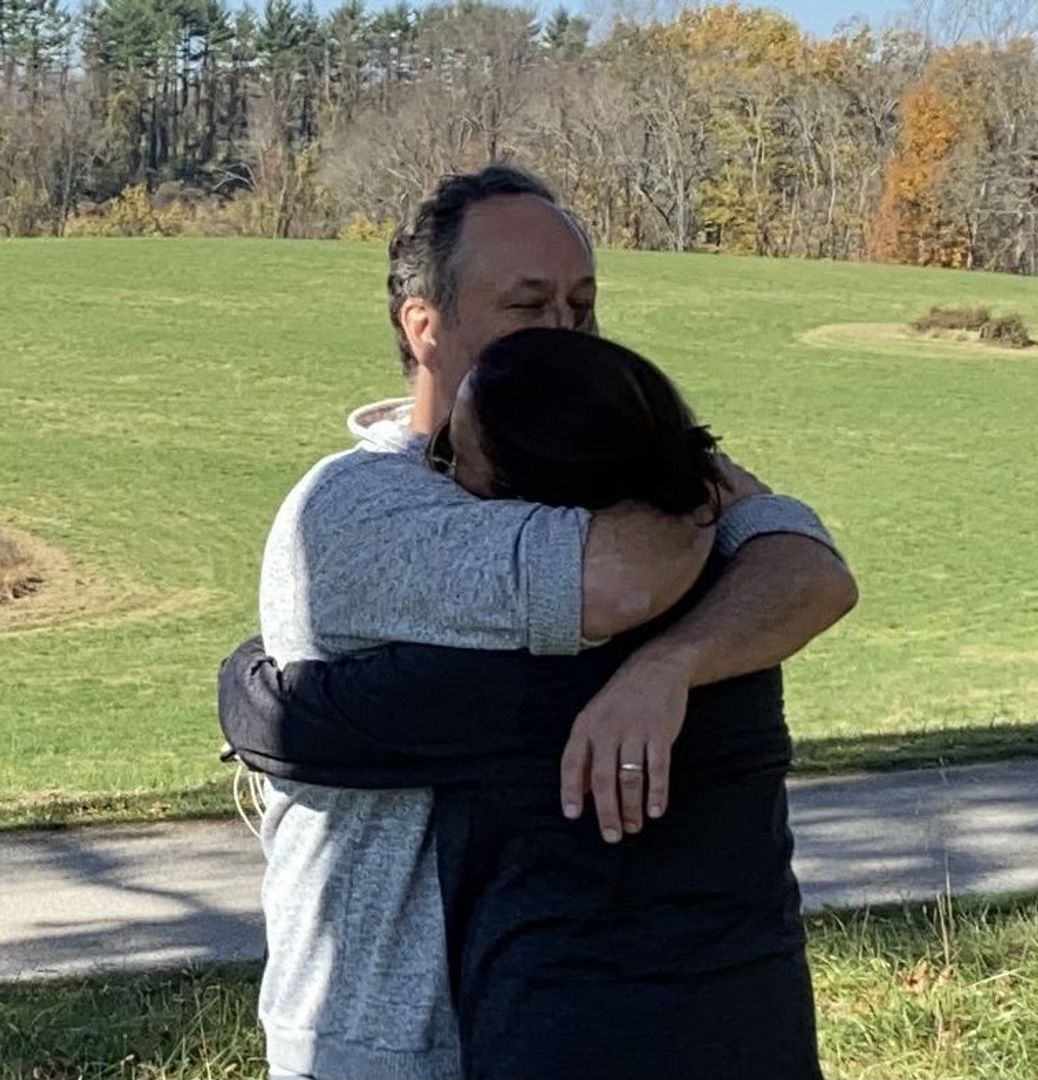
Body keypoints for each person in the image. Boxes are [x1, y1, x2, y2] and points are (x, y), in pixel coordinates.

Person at [240, 165, 857, 1080]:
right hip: (383, 1033)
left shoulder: (612, 468)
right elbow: (620, 582)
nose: (566, 332)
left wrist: (671, 663)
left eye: (584, 303)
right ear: (426, 325)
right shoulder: (364, 503)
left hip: (561, 1022)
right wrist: (697, 482)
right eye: (530, 306)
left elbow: (814, 572)